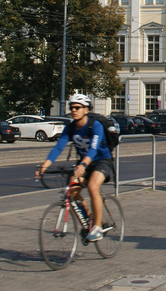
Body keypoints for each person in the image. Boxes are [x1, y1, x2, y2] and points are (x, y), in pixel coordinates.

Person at [35, 93, 114, 242]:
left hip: (101, 160)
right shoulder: (70, 128)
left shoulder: (95, 126)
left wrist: (83, 164)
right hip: (84, 163)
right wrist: (46, 164)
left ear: (86, 109)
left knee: (92, 187)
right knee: (71, 191)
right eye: (72, 108)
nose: (74, 110)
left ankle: (97, 227)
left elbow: (94, 148)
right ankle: (89, 220)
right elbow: (59, 147)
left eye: (77, 107)